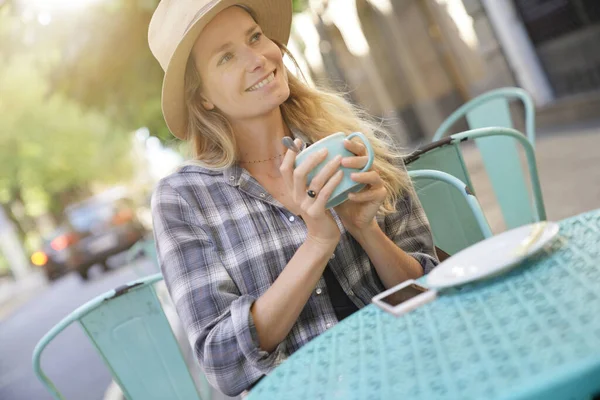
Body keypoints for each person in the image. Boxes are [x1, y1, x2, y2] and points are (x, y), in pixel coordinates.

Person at [148, 0, 438, 396]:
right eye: (227, 57)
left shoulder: (351, 147)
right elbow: (223, 363)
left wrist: (366, 231)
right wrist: (318, 242)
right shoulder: (183, 198)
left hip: (415, 370)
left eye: (254, 37)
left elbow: (432, 293)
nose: (258, 58)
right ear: (203, 99)